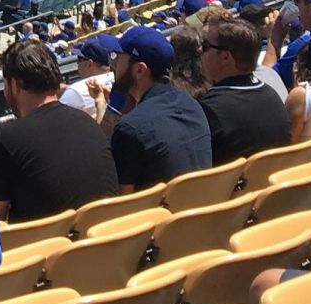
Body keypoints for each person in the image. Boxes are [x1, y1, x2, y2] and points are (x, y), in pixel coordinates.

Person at [0, 38, 116, 220]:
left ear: (15, 83)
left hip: (39, 246)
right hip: (105, 240)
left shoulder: (8, 138)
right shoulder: (87, 122)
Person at [109, 26, 214, 187]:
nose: (113, 63)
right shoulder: (191, 104)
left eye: (119, 58)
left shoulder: (130, 128)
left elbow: (123, 203)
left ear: (139, 70)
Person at [196, 14, 290, 159]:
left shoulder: (209, 109)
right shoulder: (271, 95)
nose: (200, 50)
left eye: (206, 46)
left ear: (226, 57)